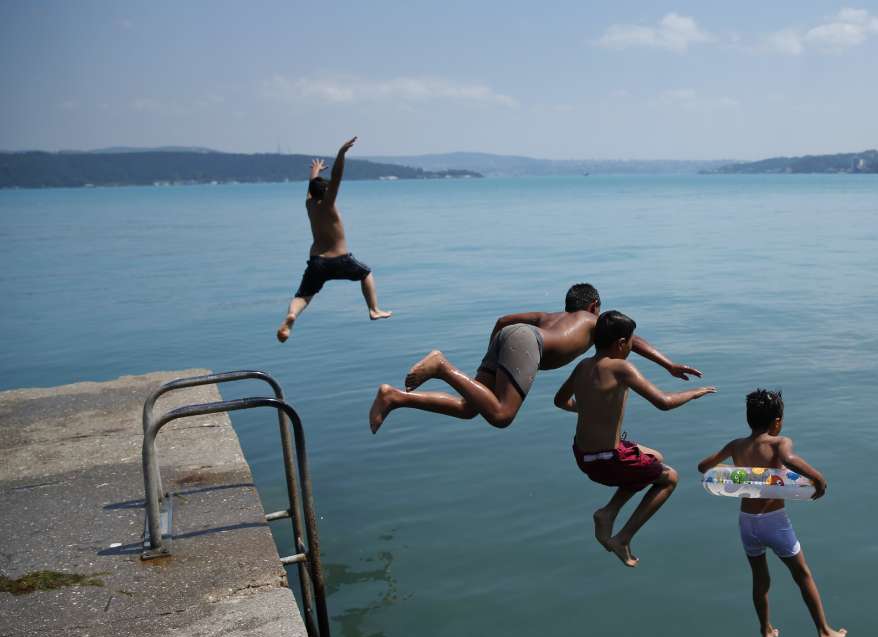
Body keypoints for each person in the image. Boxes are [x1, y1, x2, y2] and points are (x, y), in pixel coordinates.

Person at [367, 283, 702, 432]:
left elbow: (502, 321)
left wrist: (493, 362)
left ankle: (394, 397)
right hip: (527, 343)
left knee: (472, 408)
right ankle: (441, 366)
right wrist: (668, 364)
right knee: (501, 415)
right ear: (594, 307)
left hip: (511, 336)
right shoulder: (592, 321)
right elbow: (632, 339)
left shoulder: (549, 315)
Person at [554, 310, 716, 567]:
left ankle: (609, 513)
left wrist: (590, 406)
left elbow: (560, 400)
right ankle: (622, 536)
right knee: (669, 478)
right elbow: (663, 402)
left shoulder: (582, 366)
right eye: (630, 341)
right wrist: (694, 393)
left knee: (654, 458)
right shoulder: (622, 368)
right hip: (607, 460)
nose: (632, 346)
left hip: (584, 455)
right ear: (621, 343)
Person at [696, 389, 847, 637]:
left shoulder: (736, 445)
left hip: (747, 522)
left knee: (760, 578)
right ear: (777, 421)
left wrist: (734, 472)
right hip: (774, 521)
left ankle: (766, 630)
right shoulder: (779, 443)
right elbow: (790, 460)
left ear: (748, 419)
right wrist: (818, 479)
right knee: (802, 575)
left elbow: (704, 467)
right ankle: (824, 631)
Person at [276, 136, 392, 342]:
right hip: (339, 259)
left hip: (317, 262)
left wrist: (315, 172)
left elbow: (311, 187)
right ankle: (374, 309)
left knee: (303, 296)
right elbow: (337, 176)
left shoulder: (309, 204)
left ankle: (292, 315)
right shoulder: (328, 204)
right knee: (366, 273)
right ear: (327, 192)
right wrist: (341, 154)